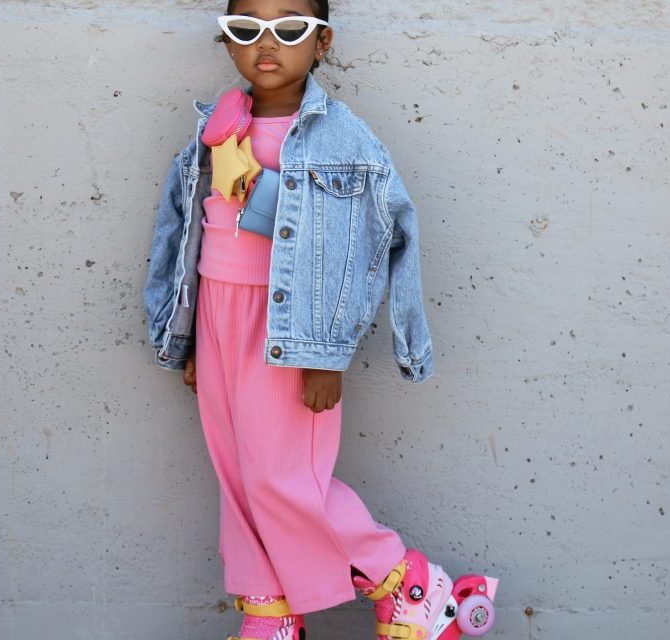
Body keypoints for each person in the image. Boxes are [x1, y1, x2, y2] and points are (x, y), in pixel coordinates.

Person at [143, 2, 498, 638]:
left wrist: (327, 353)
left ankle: (408, 583)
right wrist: (189, 332)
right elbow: (185, 234)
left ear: (323, 42)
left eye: (290, 28)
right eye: (247, 30)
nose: (267, 44)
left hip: (293, 333)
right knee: (240, 477)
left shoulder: (342, 140)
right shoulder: (215, 130)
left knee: (287, 480)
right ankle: (270, 613)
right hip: (221, 316)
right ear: (227, 42)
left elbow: (359, 248)